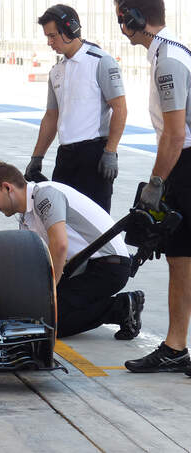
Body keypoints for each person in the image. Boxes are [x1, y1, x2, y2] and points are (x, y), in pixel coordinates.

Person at [0, 161, 145, 340]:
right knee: (31, 315)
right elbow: (29, 264)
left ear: (7, 188)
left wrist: (48, 292)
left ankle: (121, 307)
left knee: (47, 322)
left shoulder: (45, 195)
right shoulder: (26, 217)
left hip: (108, 266)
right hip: (82, 266)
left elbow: (59, 246)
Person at [115, 0, 191, 375]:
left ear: (132, 18)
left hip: (185, 164)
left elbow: (175, 136)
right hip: (183, 164)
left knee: (183, 258)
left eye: (120, 15)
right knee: (181, 260)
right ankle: (176, 347)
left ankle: (176, 346)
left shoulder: (170, 60)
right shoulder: (169, 52)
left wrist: (155, 185)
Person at [25, 4, 127, 213]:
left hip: (94, 157)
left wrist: (110, 152)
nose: (49, 42)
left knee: (95, 223)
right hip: (65, 157)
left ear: (70, 29)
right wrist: (37, 157)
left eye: (53, 36)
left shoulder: (101, 62)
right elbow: (51, 117)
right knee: (61, 222)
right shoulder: (56, 71)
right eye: (47, 37)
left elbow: (120, 108)